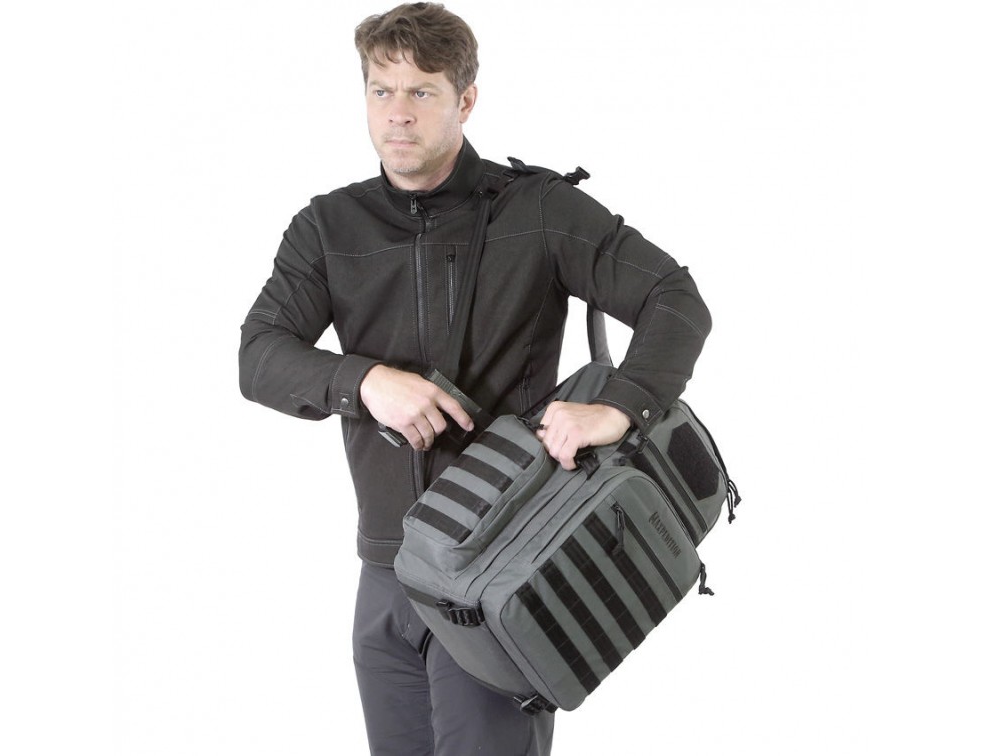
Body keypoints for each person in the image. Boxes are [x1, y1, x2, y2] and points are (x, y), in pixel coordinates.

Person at [238, 3, 711, 753]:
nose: (397, 113)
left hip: (502, 571)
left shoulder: (541, 209)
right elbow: (259, 354)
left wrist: (620, 407)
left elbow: (675, 299)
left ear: (465, 100)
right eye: (380, 90)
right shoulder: (328, 227)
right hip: (386, 576)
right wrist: (365, 381)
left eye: (421, 91)